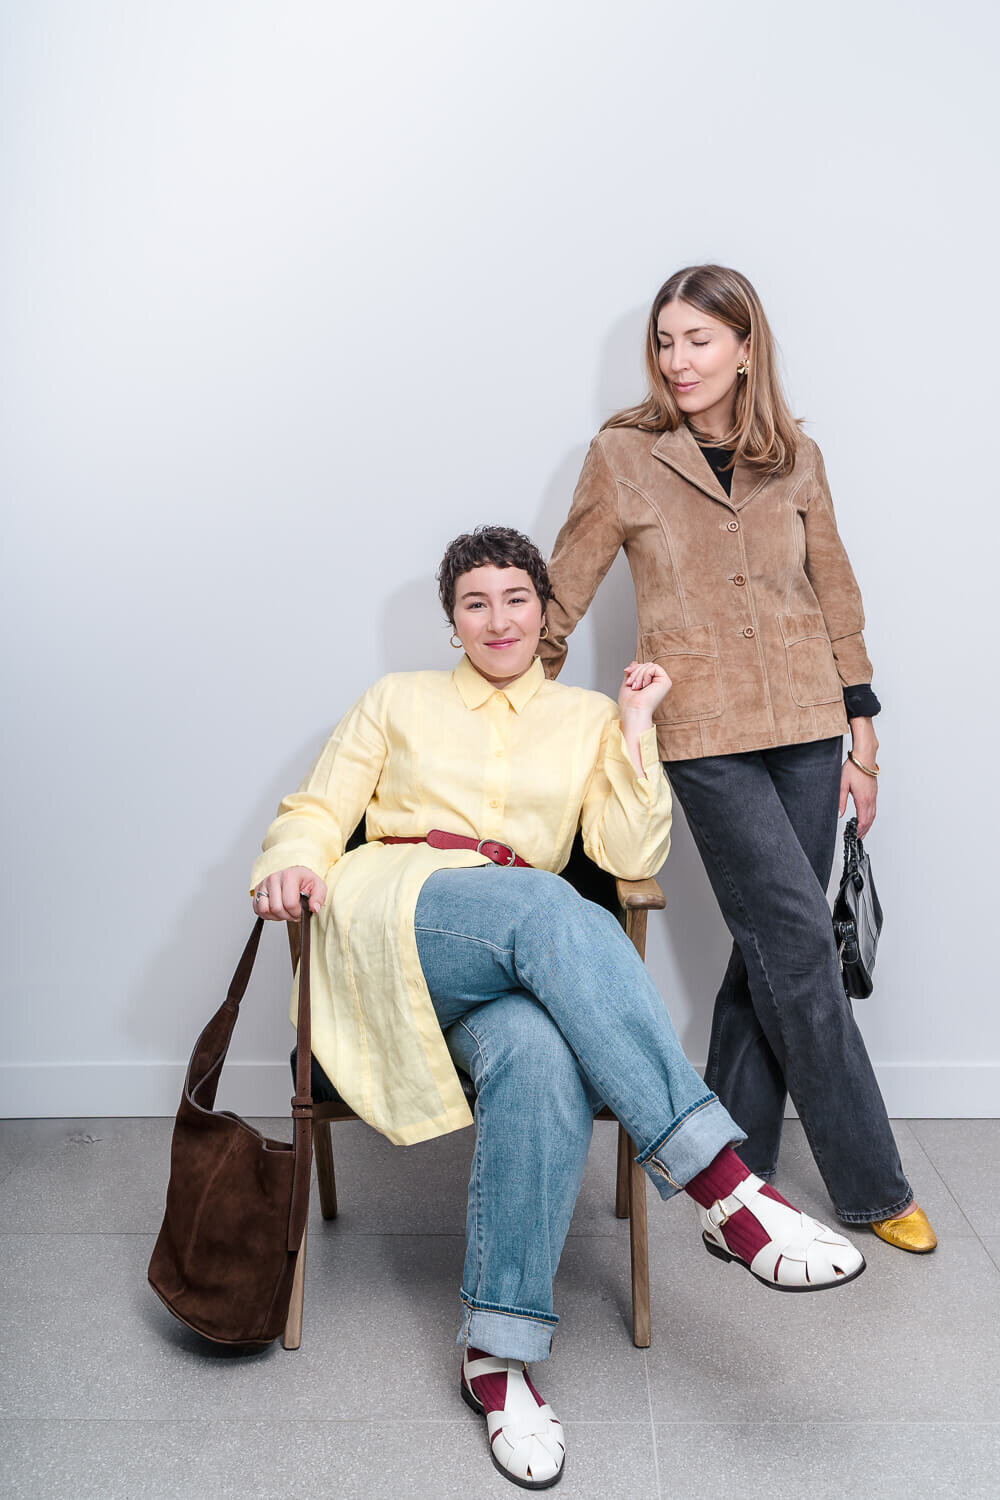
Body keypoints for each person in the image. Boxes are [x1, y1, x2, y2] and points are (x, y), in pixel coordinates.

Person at [250, 526, 865, 1491]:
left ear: (545, 612)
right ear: (452, 622)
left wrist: (632, 727)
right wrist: (291, 861)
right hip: (395, 919)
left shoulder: (581, 718)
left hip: (514, 966)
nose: (498, 619)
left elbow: (630, 857)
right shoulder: (396, 701)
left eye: (516, 599)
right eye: (475, 603)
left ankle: (496, 1357)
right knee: (548, 900)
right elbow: (319, 810)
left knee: (538, 1051)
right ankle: (724, 1188)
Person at [540, 264, 936, 1260]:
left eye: (698, 340)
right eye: (664, 342)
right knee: (797, 946)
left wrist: (863, 727)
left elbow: (832, 587)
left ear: (744, 346)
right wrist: (511, 693)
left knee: (766, 950)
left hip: (808, 723)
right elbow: (567, 581)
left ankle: (730, 1176)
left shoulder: (795, 457)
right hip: (703, 735)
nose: (677, 359)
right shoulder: (624, 457)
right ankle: (870, 1183)